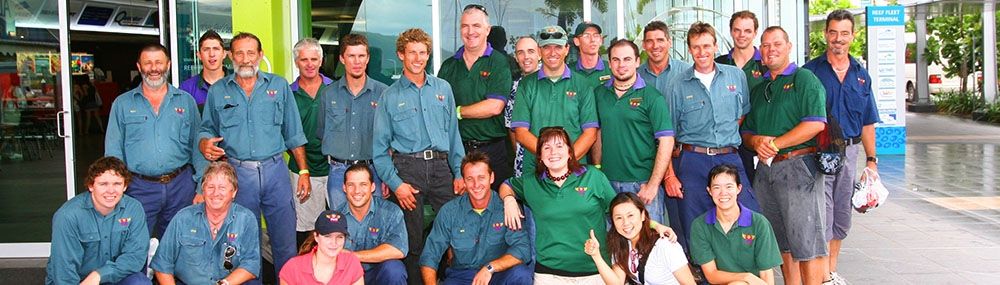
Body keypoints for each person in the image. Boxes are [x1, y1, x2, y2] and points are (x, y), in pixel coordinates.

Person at [500, 127, 675, 284]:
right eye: (547, 147)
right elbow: (506, 185)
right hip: (549, 273)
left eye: (559, 146)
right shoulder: (531, 182)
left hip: (594, 270)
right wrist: (509, 199)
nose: (553, 152)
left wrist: (655, 225)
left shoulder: (592, 176)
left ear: (570, 152)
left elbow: (622, 212)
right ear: (540, 156)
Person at [198, 32, 309, 275]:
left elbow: (294, 132)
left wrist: (303, 171)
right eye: (239, 53)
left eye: (251, 53)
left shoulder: (278, 86)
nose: (246, 59)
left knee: (285, 242)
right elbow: (206, 128)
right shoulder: (218, 91)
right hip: (238, 175)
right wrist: (203, 142)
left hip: (275, 171)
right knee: (243, 243)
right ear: (230, 57)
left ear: (260, 55)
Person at [372, 27, 466, 285]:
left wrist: (459, 172)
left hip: (441, 168)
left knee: (457, 231)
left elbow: (453, 137)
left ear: (428, 55)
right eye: (412, 52)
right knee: (411, 241)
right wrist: (396, 185)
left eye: (423, 52)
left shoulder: (443, 89)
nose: (418, 58)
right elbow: (379, 152)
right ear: (401, 55)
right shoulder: (389, 97)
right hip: (407, 170)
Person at [741, 26, 828, 285]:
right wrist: (755, 140)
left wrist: (776, 144)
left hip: (799, 167)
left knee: (805, 241)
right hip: (766, 171)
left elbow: (815, 123)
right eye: (765, 45)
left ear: (789, 46)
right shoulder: (759, 88)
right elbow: (746, 132)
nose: (771, 50)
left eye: (777, 44)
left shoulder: (805, 79)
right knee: (782, 242)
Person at [663, 22, 760, 251]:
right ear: (689, 49)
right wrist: (670, 175)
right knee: (695, 223)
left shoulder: (736, 77)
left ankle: (738, 271)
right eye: (696, 47)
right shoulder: (677, 84)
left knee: (745, 216)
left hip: (729, 158)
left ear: (715, 46)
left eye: (706, 46)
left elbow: (740, 115)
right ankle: (704, 275)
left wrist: (722, 141)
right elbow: (668, 134)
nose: (702, 52)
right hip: (693, 160)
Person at [802, 10, 880, 285]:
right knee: (821, 213)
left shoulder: (861, 75)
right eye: (833, 32)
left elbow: (868, 121)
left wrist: (872, 161)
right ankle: (822, 275)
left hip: (850, 152)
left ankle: (830, 271)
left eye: (844, 33)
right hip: (817, 153)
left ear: (852, 36)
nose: (838, 39)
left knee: (842, 214)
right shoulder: (810, 72)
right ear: (825, 34)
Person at [105, 43, 204, 238]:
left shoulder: (186, 101)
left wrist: (201, 186)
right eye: (147, 63)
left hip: (181, 187)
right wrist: (116, 189)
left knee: (181, 244)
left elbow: (197, 148)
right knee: (135, 244)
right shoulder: (122, 104)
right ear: (139, 67)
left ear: (167, 65)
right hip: (138, 188)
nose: (154, 68)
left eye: (158, 62)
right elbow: (113, 151)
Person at [592, 39, 675, 225]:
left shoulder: (652, 97)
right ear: (610, 63)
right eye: (616, 60)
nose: (622, 65)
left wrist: (653, 185)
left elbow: (667, 141)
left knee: (650, 244)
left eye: (627, 59)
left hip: (642, 185)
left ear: (637, 62)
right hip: (608, 184)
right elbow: (596, 133)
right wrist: (598, 170)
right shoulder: (599, 94)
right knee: (614, 244)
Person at [419, 151, 532, 285]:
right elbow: (430, 255)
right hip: (461, 276)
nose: (476, 184)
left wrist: (490, 268)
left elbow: (522, 249)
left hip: (498, 273)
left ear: (491, 177)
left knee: (521, 274)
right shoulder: (449, 211)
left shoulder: (506, 209)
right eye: (470, 179)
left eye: (481, 177)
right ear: (464, 182)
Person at [439, 4, 514, 191]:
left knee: (495, 209)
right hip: (457, 152)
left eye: (476, 26)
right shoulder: (449, 66)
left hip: (492, 151)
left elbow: (494, 106)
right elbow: (438, 106)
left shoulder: (498, 62)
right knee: (460, 208)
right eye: (465, 26)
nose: (470, 31)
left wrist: (457, 112)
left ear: (487, 30)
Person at [152, 161, 261, 285]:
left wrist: (223, 284)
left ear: (234, 192)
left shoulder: (246, 219)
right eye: (210, 187)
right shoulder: (183, 218)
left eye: (222, 188)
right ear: (203, 190)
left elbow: (251, 264)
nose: (215, 193)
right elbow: (162, 265)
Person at [46, 157, 150, 285]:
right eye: (103, 184)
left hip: (116, 276)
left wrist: (99, 275)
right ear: (91, 185)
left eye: (117, 184)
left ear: (125, 186)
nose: (111, 191)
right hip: (78, 280)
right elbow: (64, 268)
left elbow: (135, 256)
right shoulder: (68, 216)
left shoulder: (134, 209)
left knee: (140, 283)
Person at [510, 25, 599, 175]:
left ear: (567, 49)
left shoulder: (583, 85)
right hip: (536, 172)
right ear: (539, 51)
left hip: (573, 171)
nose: (552, 53)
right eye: (546, 47)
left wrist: (565, 162)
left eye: (558, 47)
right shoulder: (526, 85)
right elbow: (521, 132)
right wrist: (550, 160)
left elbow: (590, 133)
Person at [321, 33, 388, 210]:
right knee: (340, 228)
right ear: (342, 59)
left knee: (375, 226)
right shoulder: (328, 94)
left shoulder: (383, 94)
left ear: (368, 59)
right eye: (351, 56)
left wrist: (387, 175)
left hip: (373, 172)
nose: (357, 61)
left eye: (361, 56)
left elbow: (390, 140)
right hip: (338, 173)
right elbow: (321, 133)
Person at [689, 165, 782, 285]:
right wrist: (747, 276)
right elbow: (711, 274)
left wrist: (748, 280)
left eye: (729, 186)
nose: (723, 193)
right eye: (716, 187)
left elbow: (766, 273)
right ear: (709, 191)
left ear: (739, 188)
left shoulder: (759, 223)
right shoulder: (700, 226)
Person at [585, 192, 695, 285]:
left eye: (630, 215)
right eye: (619, 218)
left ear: (642, 215)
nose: (625, 223)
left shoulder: (665, 245)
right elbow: (617, 282)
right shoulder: (621, 244)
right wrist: (596, 256)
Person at [289, 37, 334, 247]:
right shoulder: (288, 94)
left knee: (338, 225)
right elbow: (286, 134)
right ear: (296, 62)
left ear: (321, 60)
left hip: (336, 168)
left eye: (314, 59)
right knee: (308, 229)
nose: (309, 64)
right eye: (304, 59)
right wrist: (303, 171)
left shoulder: (335, 90)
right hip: (302, 170)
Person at [715, 10, 767, 182]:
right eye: (737, 30)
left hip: (757, 140)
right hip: (726, 142)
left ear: (755, 33)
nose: (741, 35)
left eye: (747, 31)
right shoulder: (719, 64)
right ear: (731, 31)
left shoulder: (766, 64)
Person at [337, 164, 408, 285]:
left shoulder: (390, 212)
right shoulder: (335, 218)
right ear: (344, 188)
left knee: (394, 269)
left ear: (373, 187)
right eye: (351, 185)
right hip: (347, 276)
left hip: (378, 274)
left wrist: (353, 256)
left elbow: (398, 250)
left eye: (363, 185)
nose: (357, 191)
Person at [279, 210, 365, 285]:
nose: (334, 243)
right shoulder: (293, 268)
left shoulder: (351, 263)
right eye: (327, 236)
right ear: (316, 236)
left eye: (340, 237)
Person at [505, 36, 541, 178]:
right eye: (521, 52)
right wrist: (519, 156)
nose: (526, 57)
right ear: (515, 57)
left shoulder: (552, 81)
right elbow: (511, 127)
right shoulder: (514, 87)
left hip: (554, 157)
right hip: (523, 161)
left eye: (531, 51)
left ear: (539, 53)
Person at [638, 21, 691, 96]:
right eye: (650, 41)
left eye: (660, 40)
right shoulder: (636, 76)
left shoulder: (687, 73)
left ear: (669, 42)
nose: (655, 46)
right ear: (644, 45)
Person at [180, 30, 228, 108]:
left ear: (224, 54)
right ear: (199, 55)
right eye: (206, 49)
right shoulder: (187, 88)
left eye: (216, 49)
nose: (211, 54)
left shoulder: (237, 85)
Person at [570, 22, 612, 86]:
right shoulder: (568, 71)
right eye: (587, 36)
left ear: (600, 40)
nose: (592, 40)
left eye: (596, 35)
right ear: (576, 41)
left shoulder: (611, 69)